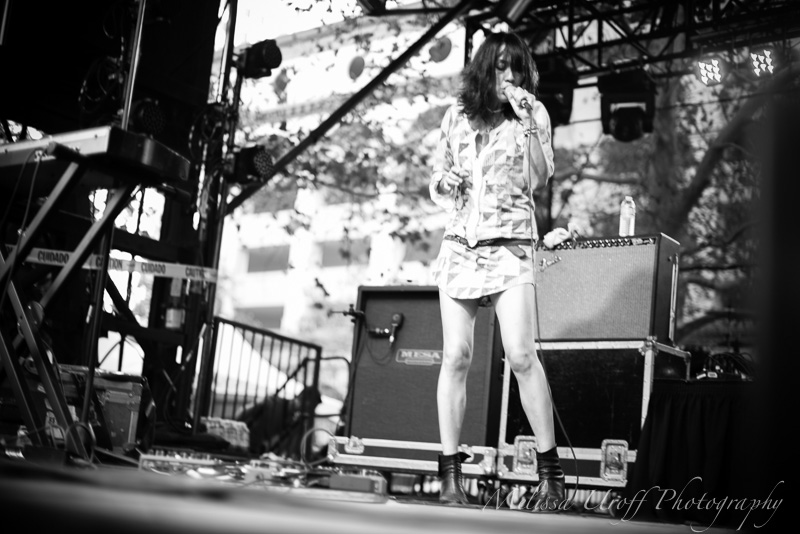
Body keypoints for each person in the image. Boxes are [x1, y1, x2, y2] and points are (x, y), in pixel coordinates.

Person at [429, 31, 565, 511]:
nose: (510, 76)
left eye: (517, 68)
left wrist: (529, 123)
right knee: (455, 356)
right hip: (460, 244)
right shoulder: (455, 116)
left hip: (510, 246)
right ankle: (450, 477)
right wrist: (445, 181)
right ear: (484, 69)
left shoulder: (533, 114)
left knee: (522, 355)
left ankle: (550, 477)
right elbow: (437, 182)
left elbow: (538, 178)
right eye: (501, 66)